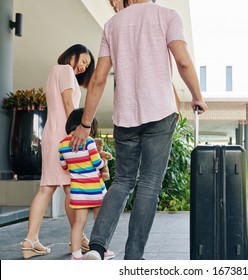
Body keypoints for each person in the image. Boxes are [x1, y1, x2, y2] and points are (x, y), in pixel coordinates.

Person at [70, 0, 208, 260]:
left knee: (122, 182)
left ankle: (97, 247)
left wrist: (85, 124)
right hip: (160, 112)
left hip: (125, 116)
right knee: (149, 184)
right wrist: (196, 95)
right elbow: (183, 62)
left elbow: (98, 79)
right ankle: (133, 258)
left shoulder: (112, 24)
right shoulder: (167, 15)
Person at [21, 44, 95, 259]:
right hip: (66, 136)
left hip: (52, 135)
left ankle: (30, 241)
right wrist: (78, 131)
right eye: (83, 60)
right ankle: (79, 238)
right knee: (72, 188)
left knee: (47, 188)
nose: (83, 67)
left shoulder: (55, 71)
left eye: (86, 65)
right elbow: (68, 103)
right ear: (73, 54)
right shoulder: (65, 70)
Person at [59, 108, 115, 260]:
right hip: (95, 189)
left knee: (78, 223)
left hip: (78, 190)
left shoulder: (62, 144)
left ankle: (76, 255)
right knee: (100, 220)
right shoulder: (89, 141)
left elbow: (64, 166)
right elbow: (97, 163)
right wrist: (105, 161)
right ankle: (102, 250)